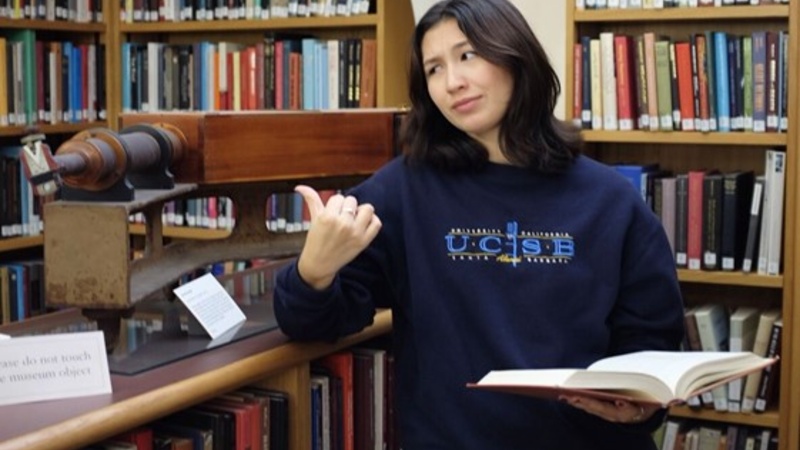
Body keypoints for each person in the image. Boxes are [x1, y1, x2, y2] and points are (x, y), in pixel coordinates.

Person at [273, 0, 685, 448]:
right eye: (433, 69)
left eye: (467, 55)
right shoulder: (402, 193)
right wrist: (313, 270)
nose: (453, 82)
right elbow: (313, 323)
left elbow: (652, 348)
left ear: (516, 56)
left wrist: (643, 408)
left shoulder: (611, 200)